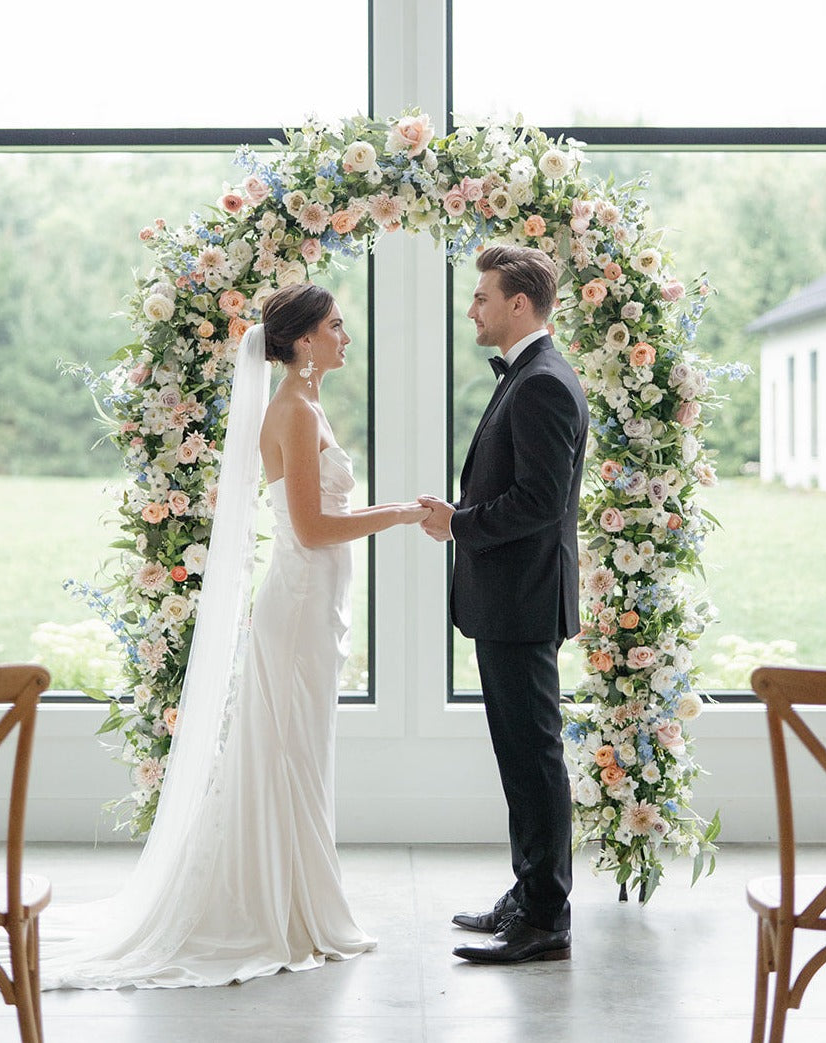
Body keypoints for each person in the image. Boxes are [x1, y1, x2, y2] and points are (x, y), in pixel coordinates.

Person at [40, 284, 429, 988]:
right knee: (291, 755)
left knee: (300, 754)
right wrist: (398, 514)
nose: (346, 336)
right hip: (301, 602)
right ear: (304, 341)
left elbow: (318, 514)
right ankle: (283, 911)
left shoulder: (307, 405)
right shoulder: (292, 411)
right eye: (336, 326)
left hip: (316, 603)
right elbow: (310, 529)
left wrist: (386, 510)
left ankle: (301, 902)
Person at [419, 244, 589, 964]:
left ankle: (545, 916)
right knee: (521, 756)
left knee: (534, 757)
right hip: (509, 597)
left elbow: (539, 502)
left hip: (521, 599)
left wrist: (456, 522)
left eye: (481, 297)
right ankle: (528, 893)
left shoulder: (543, 382)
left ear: (519, 303)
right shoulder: (529, 375)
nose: (473, 309)